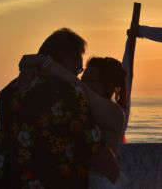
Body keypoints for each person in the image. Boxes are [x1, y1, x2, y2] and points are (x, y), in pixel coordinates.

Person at [0, 28, 103, 189]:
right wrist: (119, 177)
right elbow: (95, 148)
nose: (76, 74)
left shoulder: (7, 93)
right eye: (77, 67)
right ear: (66, 60)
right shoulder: (67, 92)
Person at [17, 55, 129, 188]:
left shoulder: (114, 112)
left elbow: (79, 87)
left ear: (109, 86)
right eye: (84, 79)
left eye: (91, 80)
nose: (85, 83)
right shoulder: (80, 109)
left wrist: (44, 62)